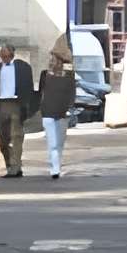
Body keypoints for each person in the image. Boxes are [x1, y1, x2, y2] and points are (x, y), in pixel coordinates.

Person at [0, 44, 36, 178]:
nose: (5, 58)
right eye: (2, 56)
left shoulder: (23, 68)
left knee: (16, 136)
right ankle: (9, 165)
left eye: (7, 56)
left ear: (12, 54)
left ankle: (16, 167)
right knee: (3, 140)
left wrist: (27, 105)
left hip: (16, 103)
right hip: (1, 105)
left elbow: (29, 87)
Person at [39, 43, 79, 180]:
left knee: (56, 143)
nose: (52, 60)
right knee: (55, 143)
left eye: (53, 58)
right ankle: (55, 168)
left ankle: (55, 166)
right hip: (54, 112)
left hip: (56, 111)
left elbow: (71, 92)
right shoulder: (48, 75)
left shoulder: (65, 75)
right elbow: (41, 93)